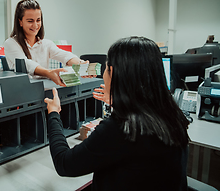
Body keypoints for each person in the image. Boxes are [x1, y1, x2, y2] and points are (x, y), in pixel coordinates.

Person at [45, 36, 190, 190]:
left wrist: (54, 114)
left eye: (106, 68)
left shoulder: (122, 126)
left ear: (112, 72)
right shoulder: (172, 113)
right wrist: (119, 102)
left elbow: (64, 163)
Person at [4, 0, 92, 87]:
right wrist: (48, 73)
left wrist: (80, 64)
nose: (35, 25)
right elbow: (26, 64)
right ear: (20, 22)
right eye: (30, 21)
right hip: (22, 91)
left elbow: (64, 55)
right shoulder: (11, 43)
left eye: (38, 20)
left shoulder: (46, 44)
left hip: (43, 92)